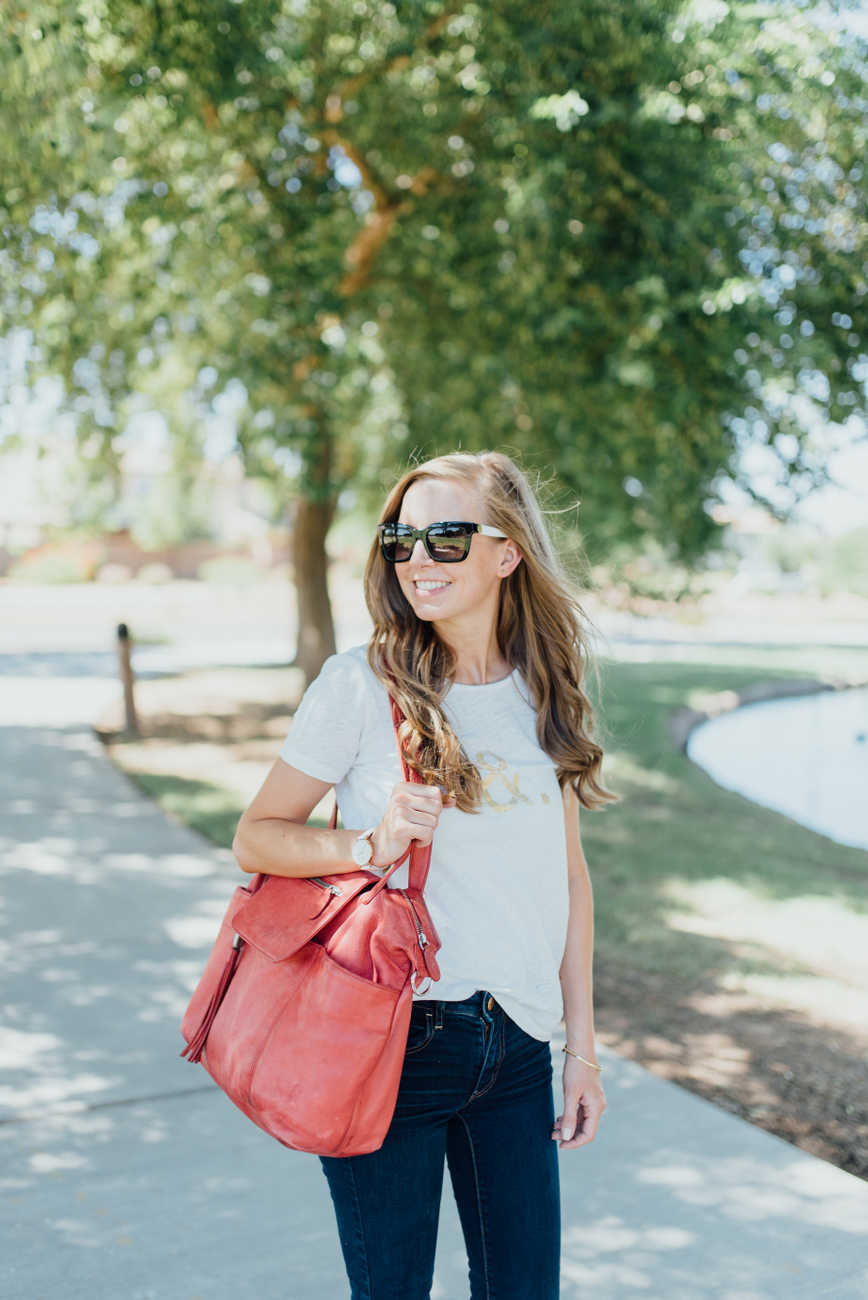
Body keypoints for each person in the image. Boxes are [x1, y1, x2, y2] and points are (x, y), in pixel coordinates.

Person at [233, 450, 613, 1300]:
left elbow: (570, 881)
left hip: (514, 1047)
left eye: (446, 538)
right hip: (391, 1038)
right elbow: (256, 837)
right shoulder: (362, 687)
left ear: (507, 551)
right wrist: (369, 844)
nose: (417, 561)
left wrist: (581, 1053)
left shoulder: (545, 690)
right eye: (401, 541)